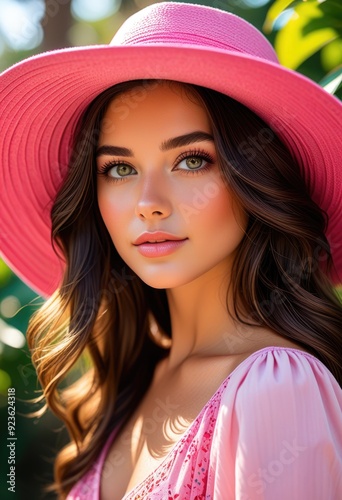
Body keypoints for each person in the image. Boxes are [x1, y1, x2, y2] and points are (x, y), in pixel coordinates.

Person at [0, 2, 341, 499]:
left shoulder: (279, 389)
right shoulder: (125, 387)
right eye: (119, 168)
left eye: (191, 160)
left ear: (257, 176)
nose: (148, 205)